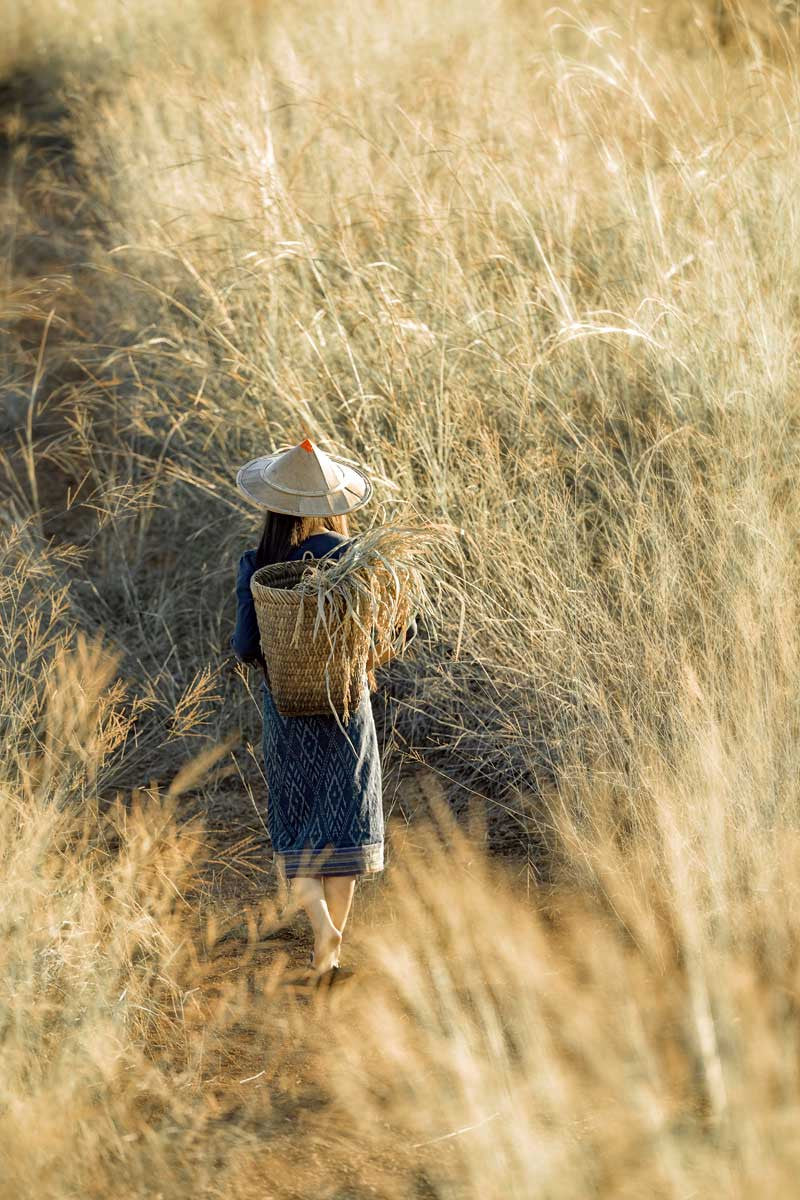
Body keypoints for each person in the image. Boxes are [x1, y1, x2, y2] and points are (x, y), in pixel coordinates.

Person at [230, 437, 398, 985]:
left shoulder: (257, 563)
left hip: (286, 708)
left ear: (273, 501)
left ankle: (322, 935)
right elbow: (398, 628)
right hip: (346, 704)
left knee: (298, 823)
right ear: (332, 501)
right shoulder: (353, 558)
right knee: (343, 824)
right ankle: (329, 959)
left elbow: (244, 646)